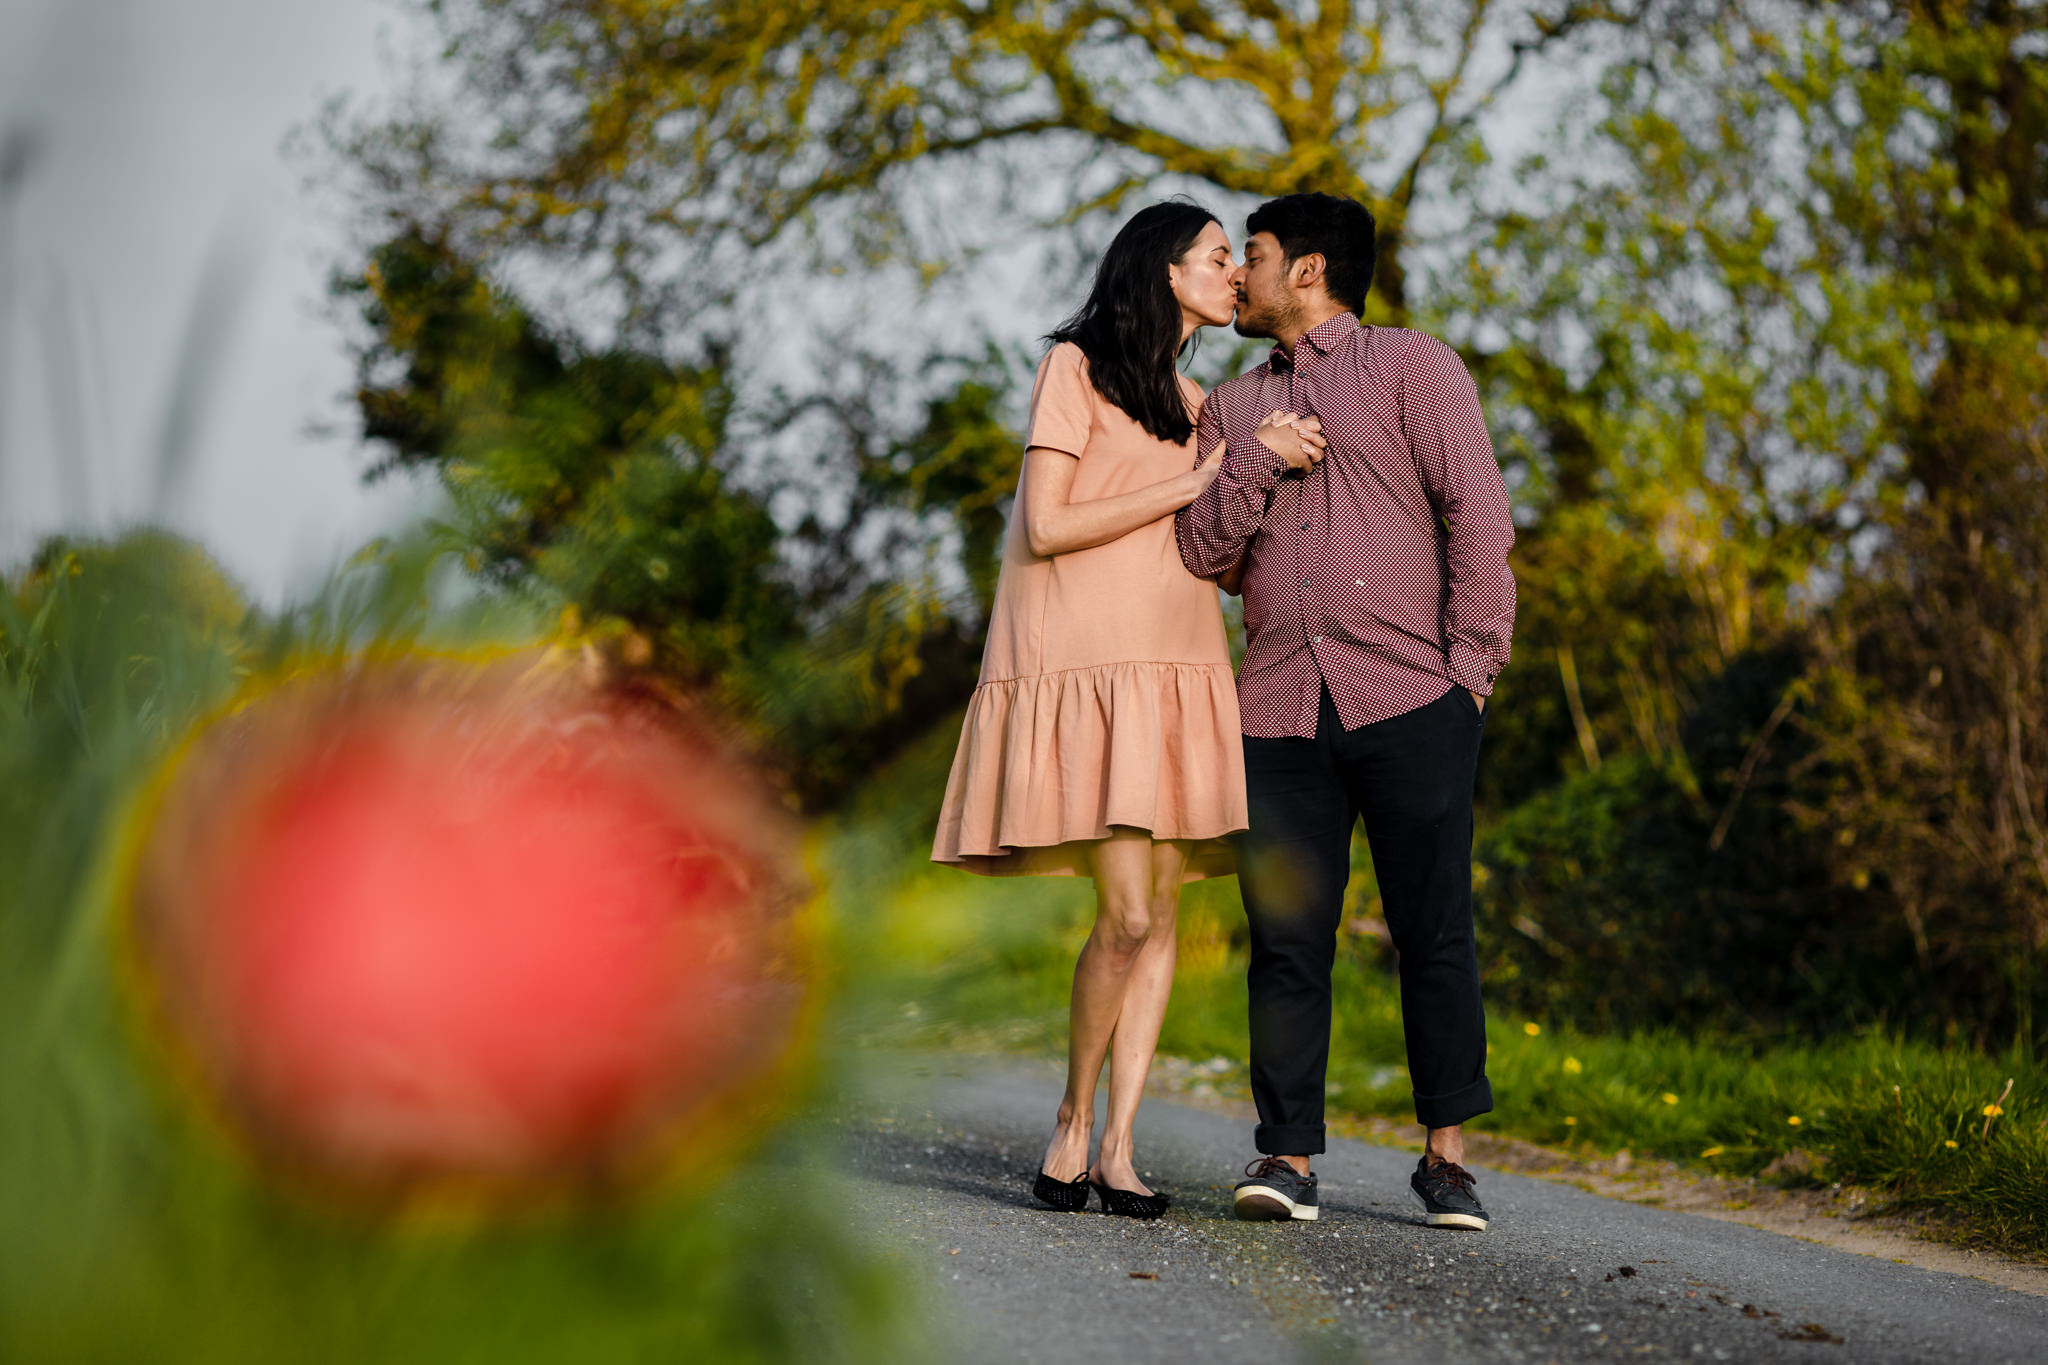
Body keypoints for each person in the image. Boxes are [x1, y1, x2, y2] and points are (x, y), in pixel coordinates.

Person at [932, 200, 1319, 1219]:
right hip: (1086, 662)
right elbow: (1049, 525)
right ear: (1161, 272)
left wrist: (1250, 475)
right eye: (1215, 256)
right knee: (1127, 913)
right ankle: (1068, 1120)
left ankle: (1118, 1147)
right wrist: (1193, 481)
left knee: (1162, 921)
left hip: (1181, 663)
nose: (1234, 272)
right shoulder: (1074, 367)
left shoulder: (1202, 400)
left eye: (1238, 257)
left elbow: (1217, 552)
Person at [1175, 192, 1517, 1230]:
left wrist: (1470, 674)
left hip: (1415, 694)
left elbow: (1478, 513)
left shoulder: (1414, 367)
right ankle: (1286, 1160)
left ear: (1310, 271)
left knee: (1432, 933)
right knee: (1285, 939)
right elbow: (1205, 556)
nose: (1240, 276)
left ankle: (1446, 1160)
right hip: (1275, 705)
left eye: (1258, 256)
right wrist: (1255, 465)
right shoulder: (1230, 410)